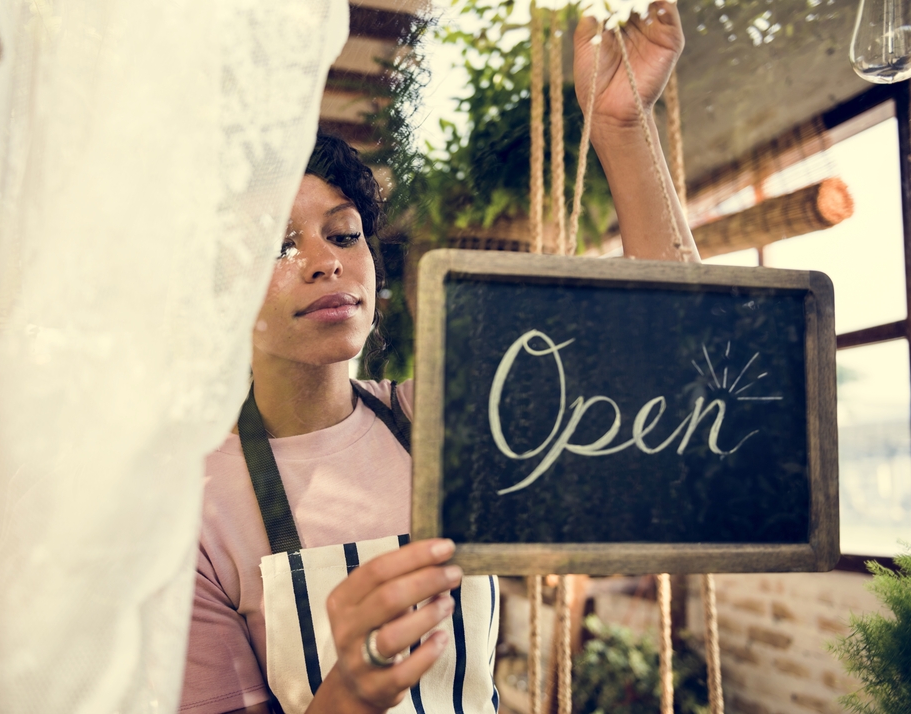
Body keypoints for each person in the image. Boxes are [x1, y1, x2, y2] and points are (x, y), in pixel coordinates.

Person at [179, 4, 699, 713]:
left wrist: (623, 125)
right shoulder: (196, 506)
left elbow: (676, 363)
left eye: (344, 234)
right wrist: (346, 699)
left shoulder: (441, 421)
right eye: (280, 245)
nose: (327, 263)